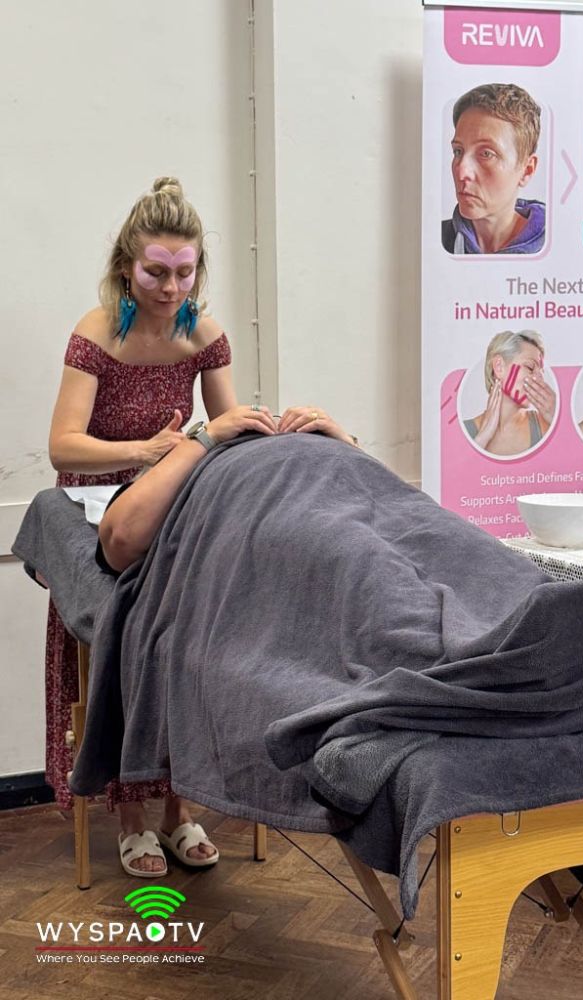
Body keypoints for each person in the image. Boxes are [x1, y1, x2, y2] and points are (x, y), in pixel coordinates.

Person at [47, 177, 236, 877]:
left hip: (165, 508)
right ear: (127, 265)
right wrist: (147, 451)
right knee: (124, 650)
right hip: (96, 514)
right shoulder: (97, 333)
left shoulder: (203, 335)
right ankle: (131, 821)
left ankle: (178, 812)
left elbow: (227, 430)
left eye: (185, 273)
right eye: (157, 272)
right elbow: (63, 446)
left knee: (185, 654)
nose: (171, 288)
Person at [98, 405, 358, 574]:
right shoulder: (192, 481)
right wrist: (203, 437)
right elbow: (121, 537)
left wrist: (345, 442)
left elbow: (377, 493)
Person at [442, 83, 545, 255]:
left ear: (527, 170)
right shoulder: (434, 241)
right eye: (458, 151)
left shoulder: (559, 248)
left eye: (486, 154)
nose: (461, 172)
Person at [464, 331, 555, 456]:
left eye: (541, 372)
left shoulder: (546, 427)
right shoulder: (464, 430)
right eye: (530, 367)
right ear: (499, 367)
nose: (539, 379)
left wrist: (558, 420)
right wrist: (482, 438)